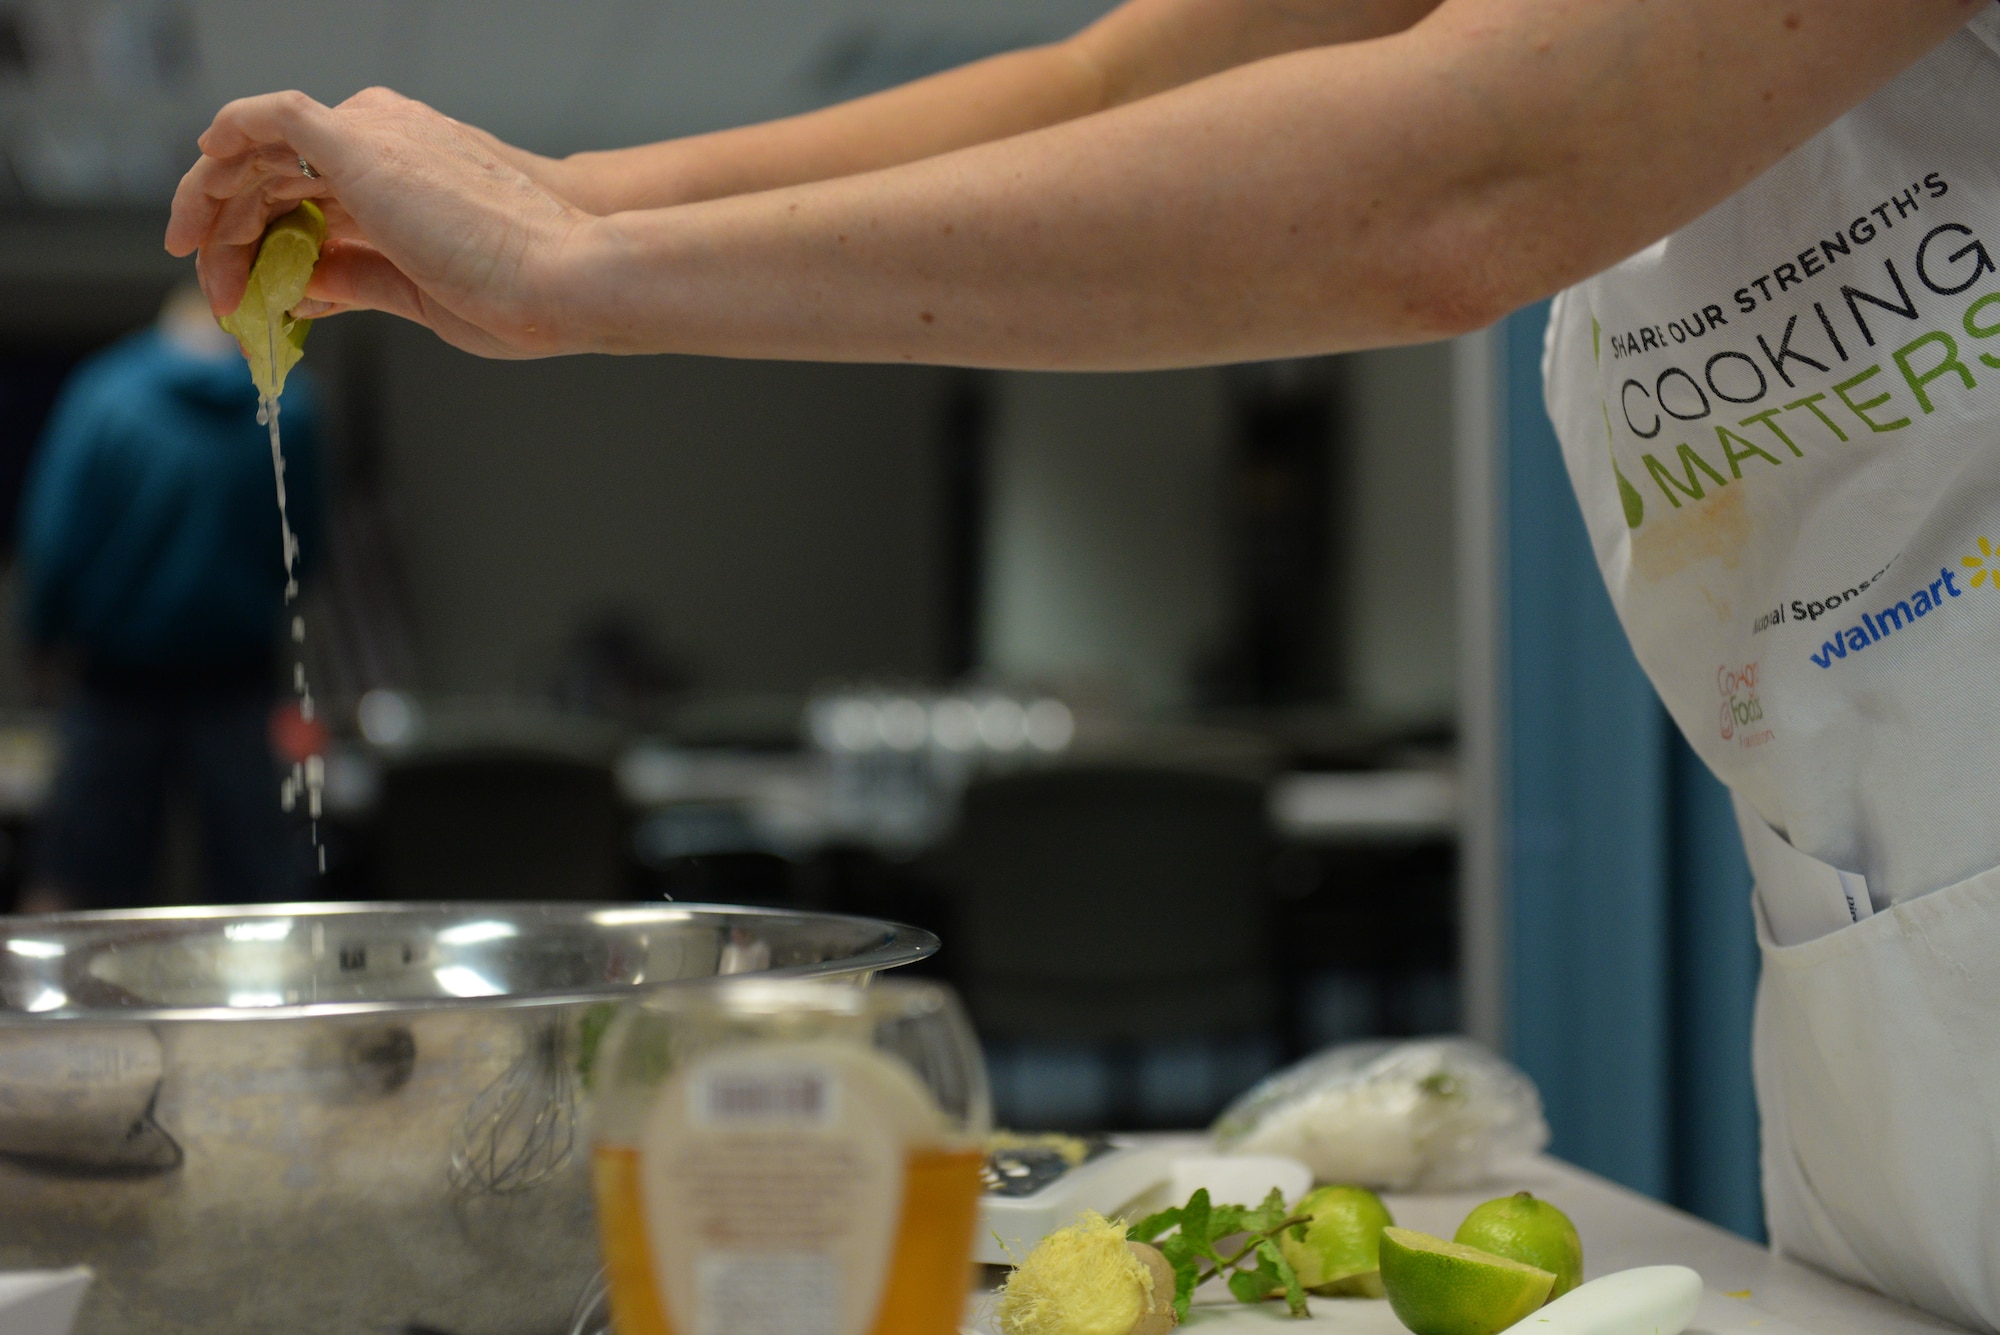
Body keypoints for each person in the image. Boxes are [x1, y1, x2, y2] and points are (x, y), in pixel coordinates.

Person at [165, 0, 1998, 1327]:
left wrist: (586, 264)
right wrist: (556, 196)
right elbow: (1125, 78)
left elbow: (1474, 176)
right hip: (1888, 1109)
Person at [17, 283, 323, 910]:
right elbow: (306, 550)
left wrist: (40, 638)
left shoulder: (103, 395)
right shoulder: (290, 404)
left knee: (84, 899)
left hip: (116, 683)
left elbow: (52, 540)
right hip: (236, 681)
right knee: (257, 898)